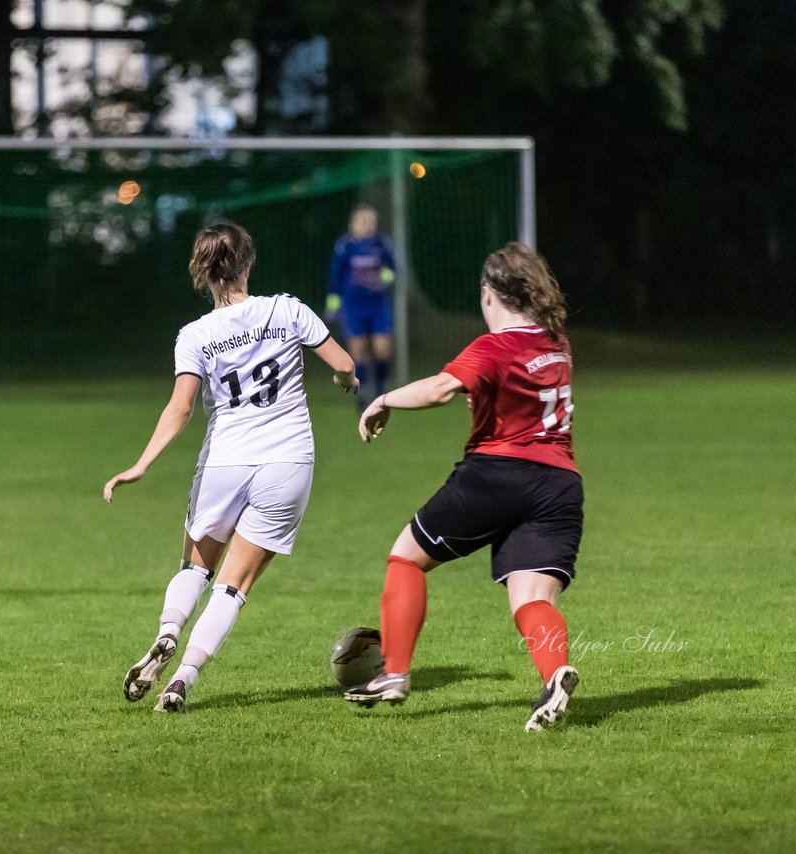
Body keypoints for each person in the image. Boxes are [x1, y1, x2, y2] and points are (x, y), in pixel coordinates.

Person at [104, 222, 357, 713]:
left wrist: (139, 465)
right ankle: (181, 682)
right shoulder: (287, 310)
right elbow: (344, 362)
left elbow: (179, 408)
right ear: (247, 264)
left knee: (195, 565)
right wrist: (347, 381)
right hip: (287, 461)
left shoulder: (196, 334)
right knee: (234, 585)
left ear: (202, 272)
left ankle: (168, 632)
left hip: (226, 459)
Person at [342, 242, 583, 732]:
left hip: (497, 474)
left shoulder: (493, 347)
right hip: (559, 484)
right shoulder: (555, 342)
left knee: (407, 557)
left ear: (488, 293)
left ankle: (394, 674)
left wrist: (383, 399)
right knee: (532, 596)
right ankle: (555, 673)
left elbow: (440, 388)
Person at [326, 204, 397, 409]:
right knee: (358, 351)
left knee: (382, 349)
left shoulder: (382, 243)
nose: (366, 224)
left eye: (370, 220)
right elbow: (336, 276)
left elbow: (392, 268)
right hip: (353, 306)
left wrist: (382, 278)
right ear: (353, 223)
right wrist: (333, 303)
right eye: (362, 220)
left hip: (377, 305)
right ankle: (363, 393)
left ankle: (380, 389)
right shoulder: (345, 246)